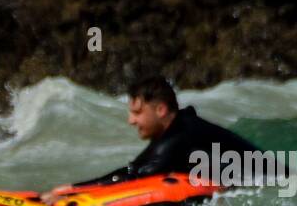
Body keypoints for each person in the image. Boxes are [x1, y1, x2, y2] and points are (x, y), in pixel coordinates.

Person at [43, 76, 259, 199]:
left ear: (161, 110)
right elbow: (133, 169)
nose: (131, 121)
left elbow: (137, 176)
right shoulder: (178, 129)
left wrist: (73, 191)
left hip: (269, 184)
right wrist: (74, 187)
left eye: (137, 113)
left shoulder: (181, 136)